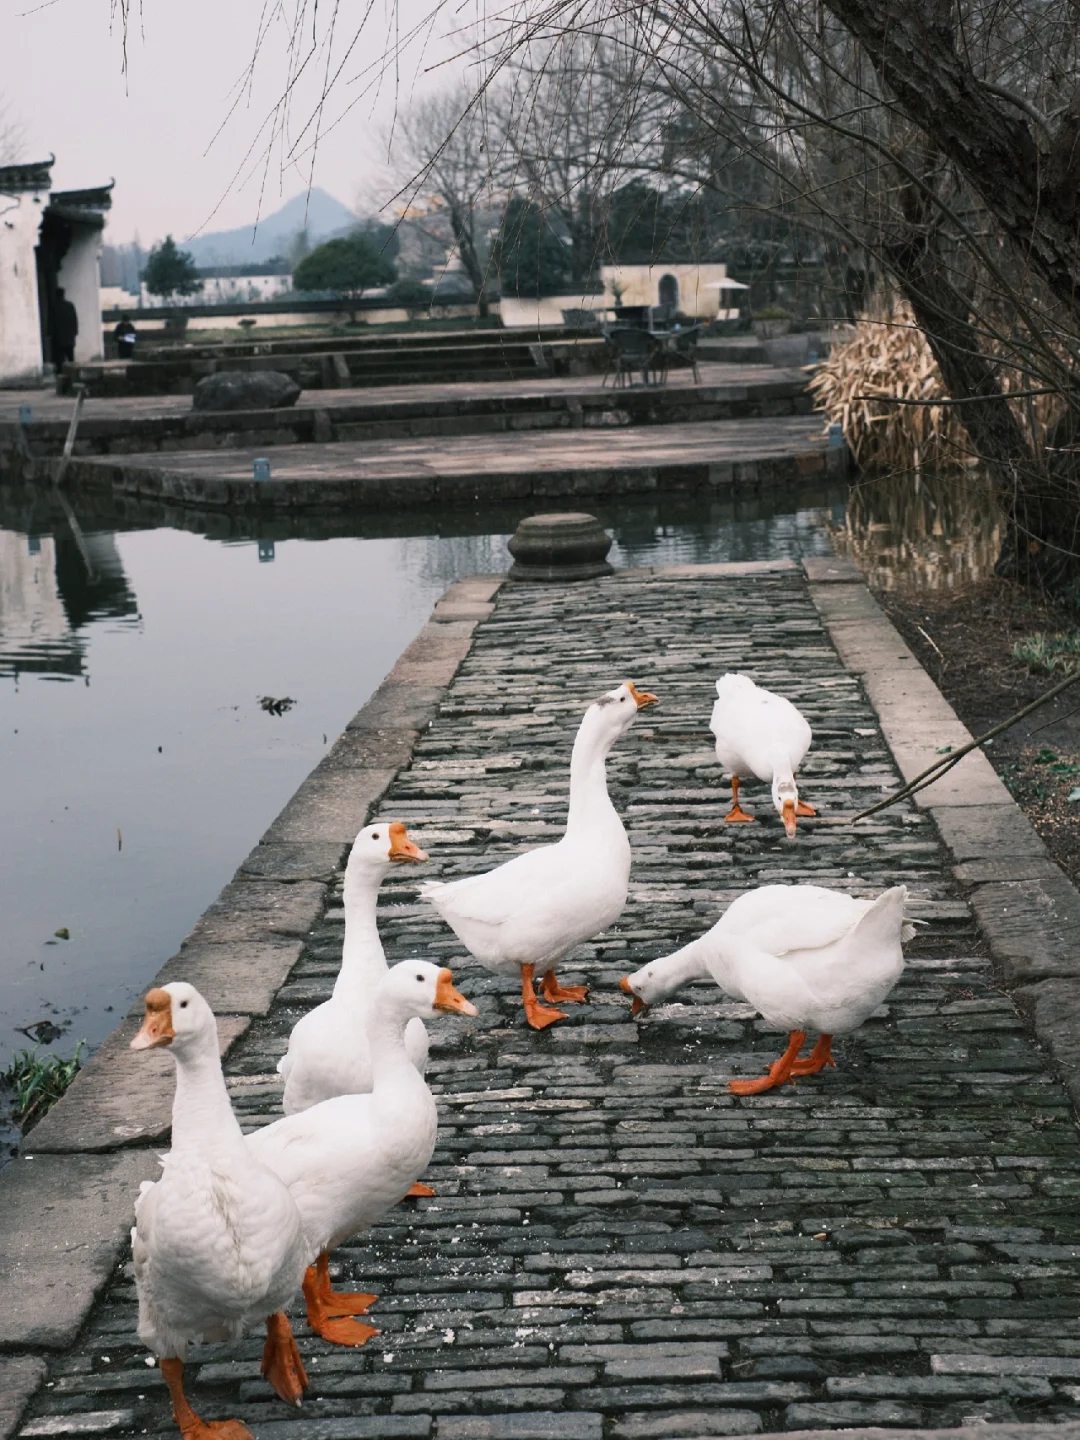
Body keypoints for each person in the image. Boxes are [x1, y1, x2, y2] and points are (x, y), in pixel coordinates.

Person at [51, 287, 79, 368]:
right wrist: (75, 332)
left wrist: (50, 333)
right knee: (71, 357)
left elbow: (51, 322)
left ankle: (61, 374)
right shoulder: (70, 305)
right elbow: (75, 320)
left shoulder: (54, 306)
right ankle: (73, 372)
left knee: (59, 359)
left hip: (58, 338)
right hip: (69, 337)